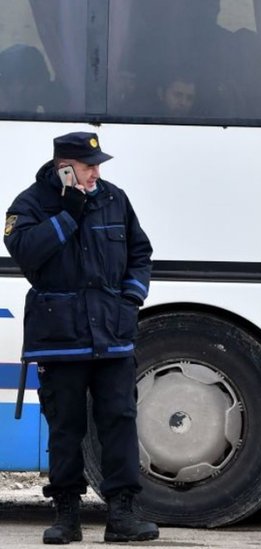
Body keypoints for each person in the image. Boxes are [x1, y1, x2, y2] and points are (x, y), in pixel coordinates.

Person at [3, 132, 157, 545]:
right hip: (60, 338)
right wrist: (67, 214)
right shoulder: (31, 204)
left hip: (112, 335)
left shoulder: (114, 198)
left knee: (120, 421)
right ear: (64, 168)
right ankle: (66, 516)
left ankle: (122, 516)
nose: (96, 174)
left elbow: (140, 253)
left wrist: (131, 298)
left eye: (98, 166)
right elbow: (25, 253)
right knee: (65, 428)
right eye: (89, 167)